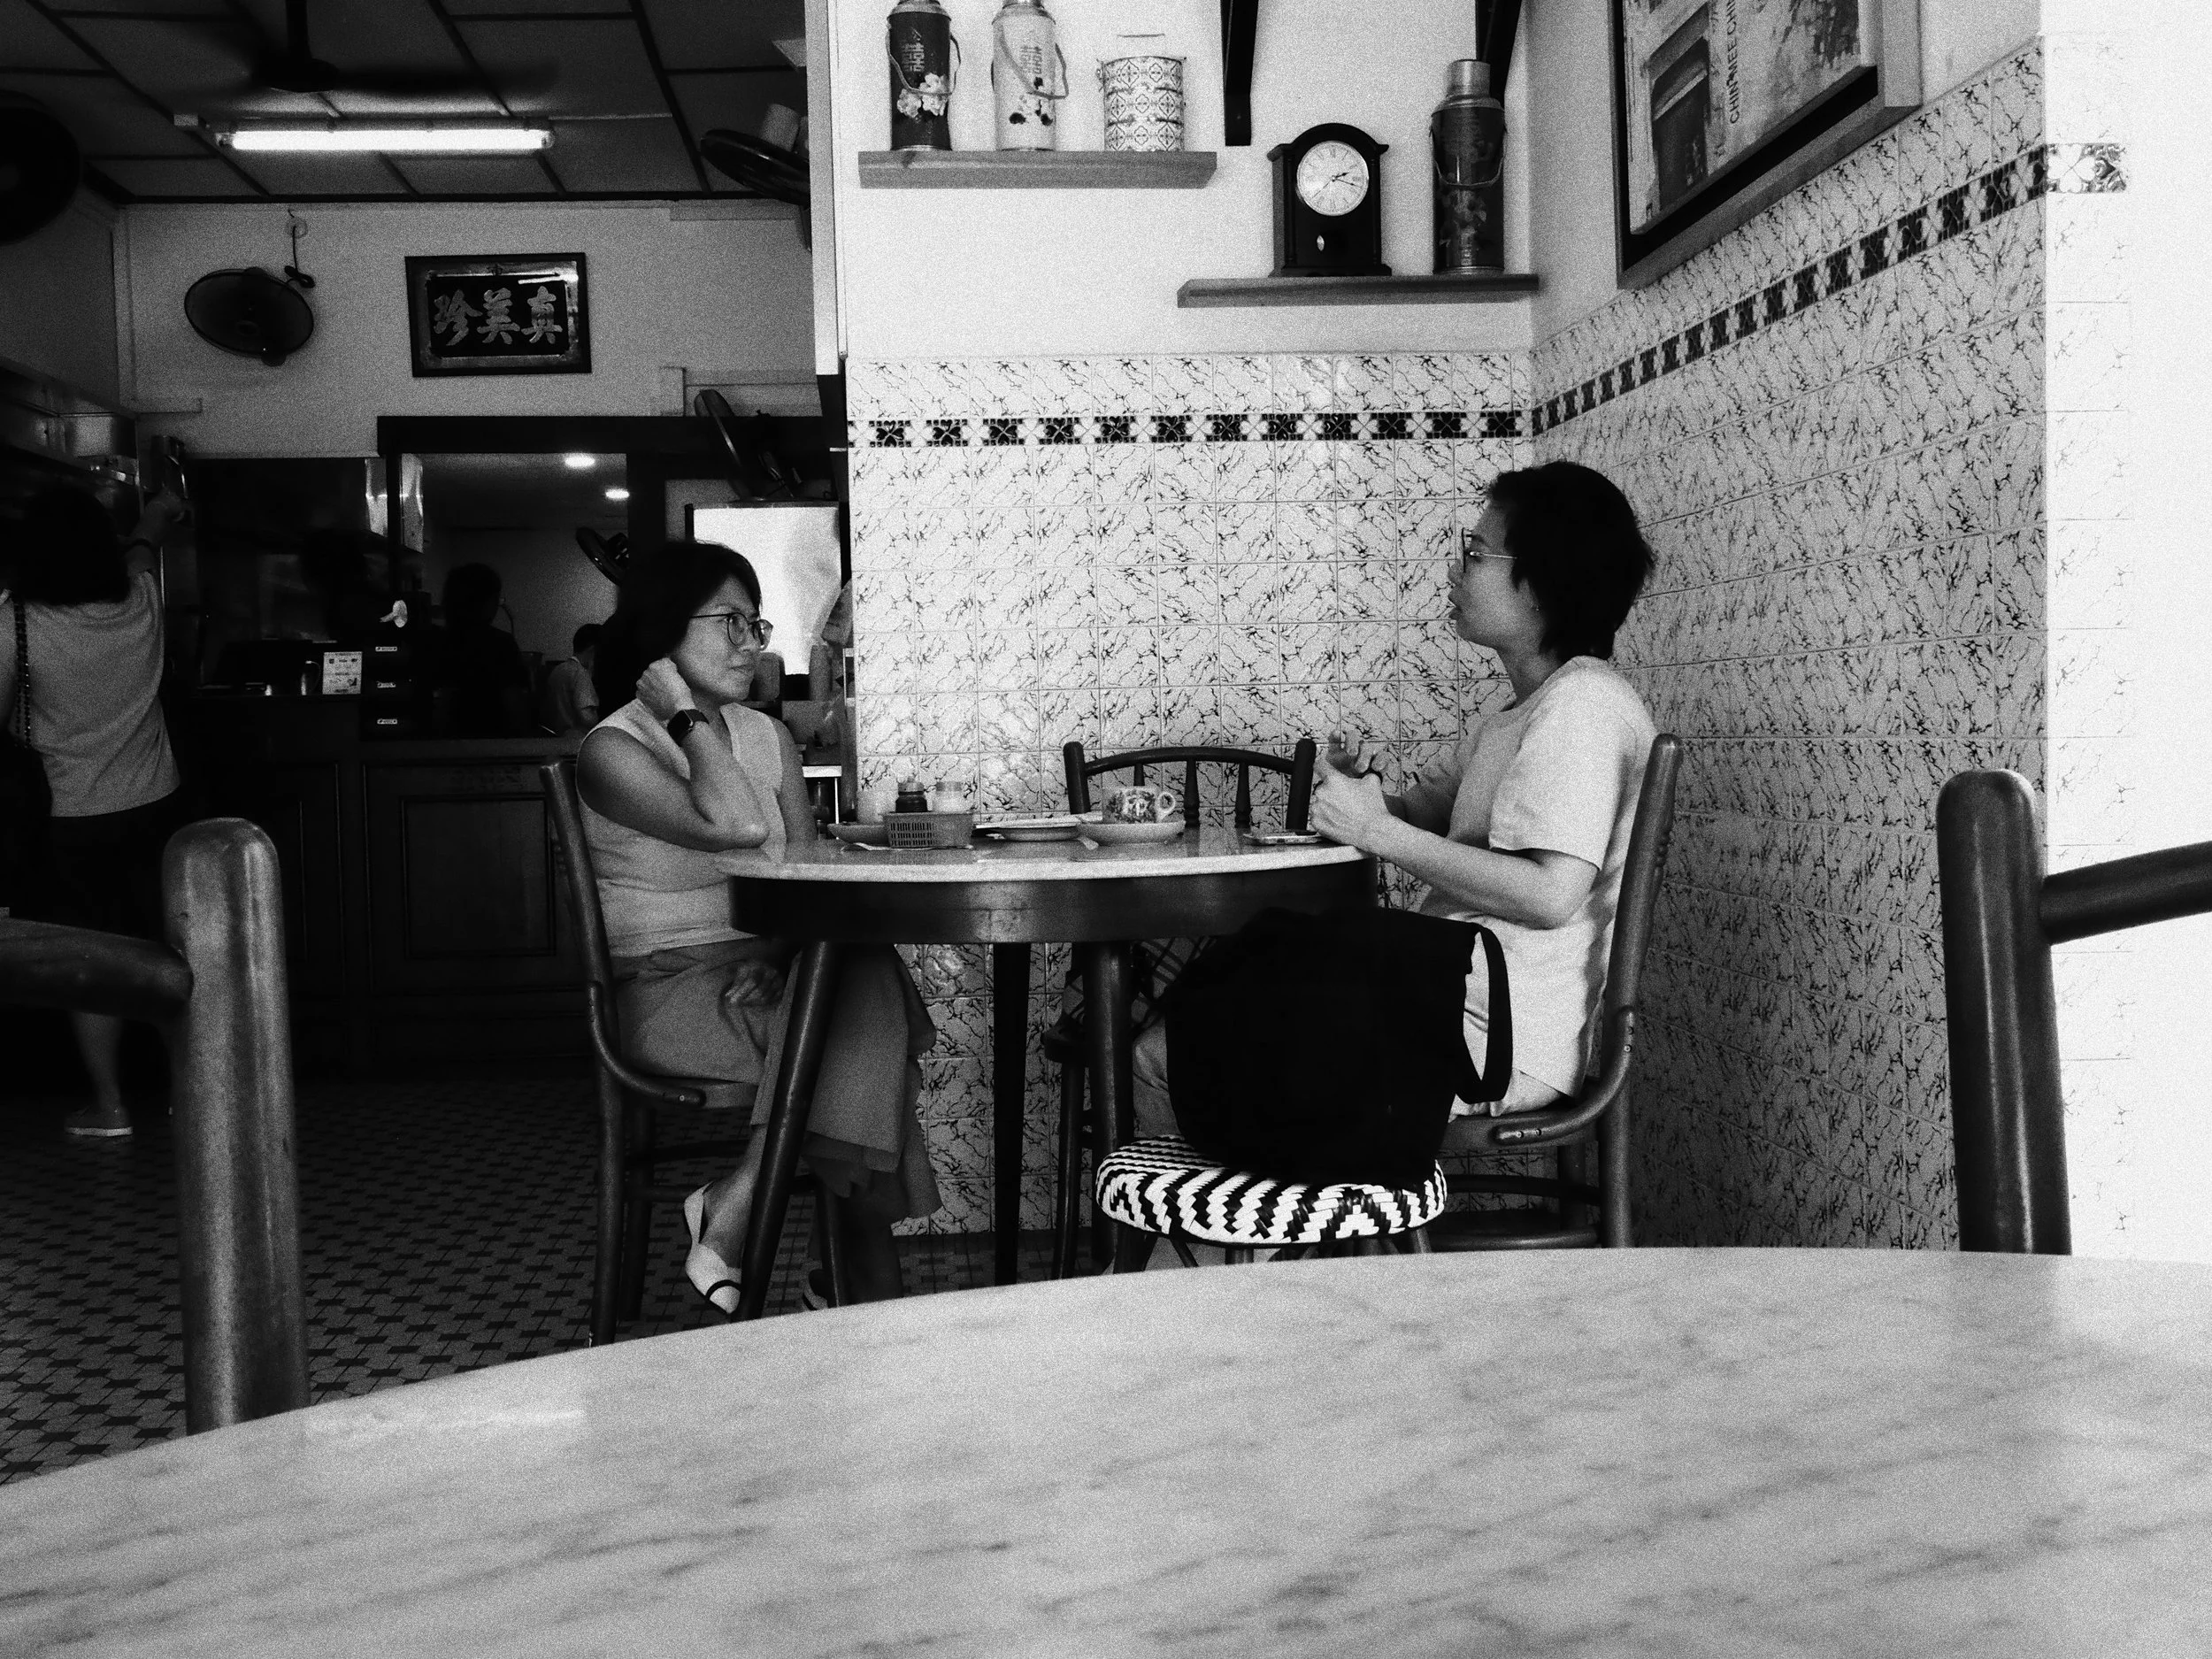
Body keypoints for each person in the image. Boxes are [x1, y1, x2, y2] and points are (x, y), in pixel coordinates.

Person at [1131, 461, 1658, 1169]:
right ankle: (1265, 1231)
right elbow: (1421, 813)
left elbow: (1550, 893)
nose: (1455, 571)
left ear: (1542, 584)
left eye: (1476, 554)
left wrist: (1377, 830)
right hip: (1448, 1004)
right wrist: (1371, 799)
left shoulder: (1583, 707)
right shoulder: (1518, 713)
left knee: (1173, 1052)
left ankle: (1251, 1237)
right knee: (1211, 1006)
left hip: (1493, 1039)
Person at [577, 540, 939, 1310]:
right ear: (663, 633)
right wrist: (683, 714)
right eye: (729, 622)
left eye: (756, 624)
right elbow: (737, 826)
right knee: (863, 1034)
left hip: (769, 975)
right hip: (664, 990)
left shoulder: (766, 735)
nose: (752, 644)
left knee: (858, 969)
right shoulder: (612, 750)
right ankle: (846, 1277)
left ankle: (740, 1198)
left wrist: (777, 956)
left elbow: (807, 883)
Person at [0, 485, 193, 1138]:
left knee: (93, 957)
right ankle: (189, 1091)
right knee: (168, 948)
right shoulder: (142, 600)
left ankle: (110, 1105)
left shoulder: (17, 621)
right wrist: (157, 514)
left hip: (68, 813)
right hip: (156, 804)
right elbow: (143, 550)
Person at [422, 562, 528, 736]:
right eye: (495, 599)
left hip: (437, 747)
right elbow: (515, 708)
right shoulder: (500, 644)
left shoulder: (433, 642)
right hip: (491, 745)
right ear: (486, 601)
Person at [541, 622, 601, 735]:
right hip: (576, 737)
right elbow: (588, 717)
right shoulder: (581, 674)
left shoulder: (558, 669)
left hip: (556, 737)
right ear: (593, 650)